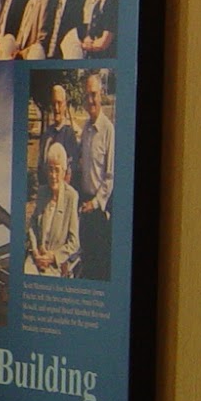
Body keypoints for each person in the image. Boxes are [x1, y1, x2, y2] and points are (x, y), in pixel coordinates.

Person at [75, 71, 115, 279]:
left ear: (101, 94)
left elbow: (110, 175)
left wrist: (95, 202)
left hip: (99, 209)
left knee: (98, 262)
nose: (90, 100)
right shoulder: (86, 129)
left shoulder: (108, 130)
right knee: (86, 257)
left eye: (94, 94)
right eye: (87, 95)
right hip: (84, 204)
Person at [29, 142, 80, 275]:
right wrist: (35, 251)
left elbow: (74, 243)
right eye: (50, 169)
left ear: (64, 171)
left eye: (57, 170)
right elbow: (33, 225)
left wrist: (53, 257)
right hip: (36, 259)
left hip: (55, 264)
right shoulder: (42, 192)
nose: (53, 175)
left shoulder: (71, 196)